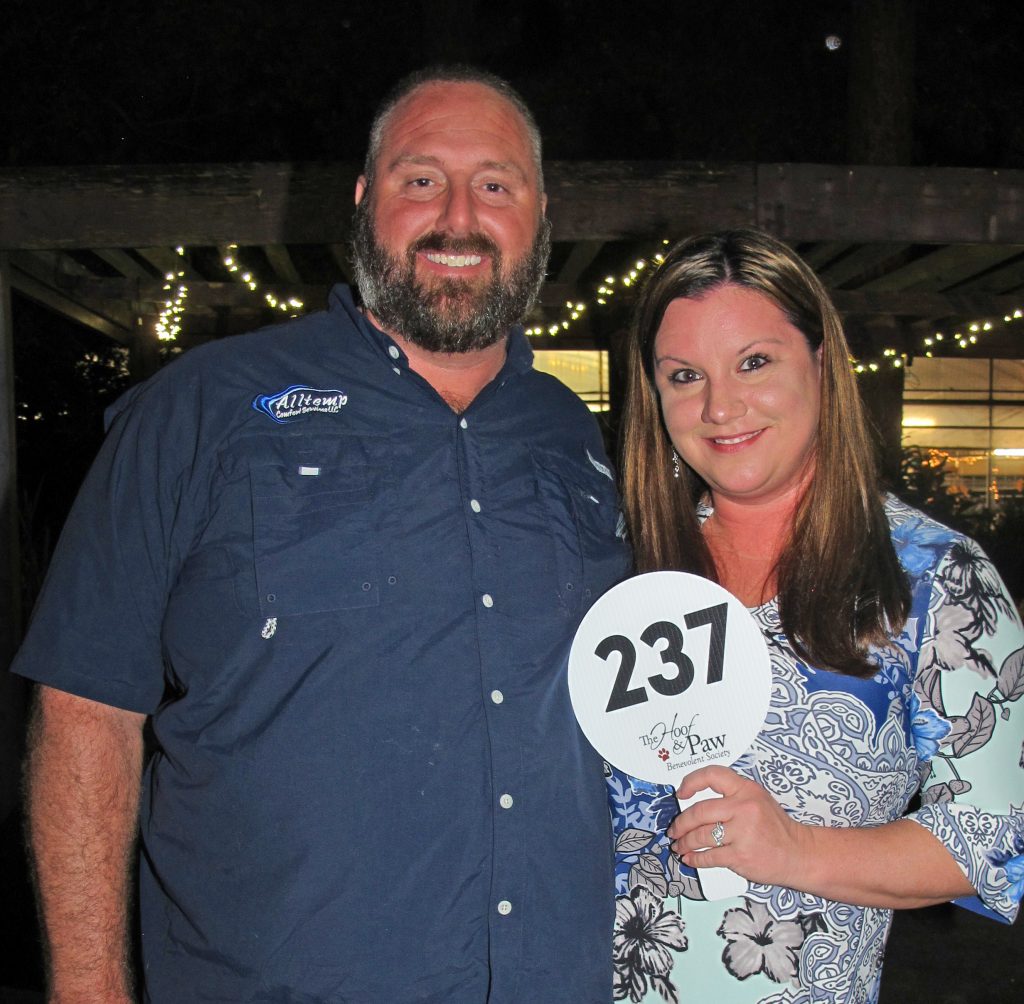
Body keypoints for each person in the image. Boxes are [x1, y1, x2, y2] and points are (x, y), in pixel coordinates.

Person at [13, 66, 630, 1003]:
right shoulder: (201, 406)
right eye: (421, 179)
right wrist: (88, 988)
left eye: (496, 184)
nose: (458, 217)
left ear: (542, 215)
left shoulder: (572, 433)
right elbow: (85, 706)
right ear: (363, 199)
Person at [609, 228, 1024, 1003]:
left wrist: (795, 849)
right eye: (685, 375)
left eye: (755, 362)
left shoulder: (935, 579)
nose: (720, 405)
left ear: (822, 365)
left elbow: (996, 839)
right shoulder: (623, 571)